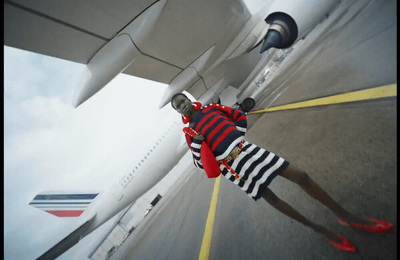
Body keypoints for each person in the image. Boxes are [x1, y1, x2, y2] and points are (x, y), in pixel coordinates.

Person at [170, 92, 394, 253]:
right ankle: (320, 229)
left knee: (301, 176)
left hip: (247, 150)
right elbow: (200, 164)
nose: (183, 106)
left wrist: (236, 138)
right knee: (272, 198)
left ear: (189, 99)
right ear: (178, 112)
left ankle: (347, 217)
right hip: (234, 168)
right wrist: (200, 144)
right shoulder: (190, 132)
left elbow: (237, 117)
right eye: (178, 106)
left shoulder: (212, 109)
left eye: (183, 101)